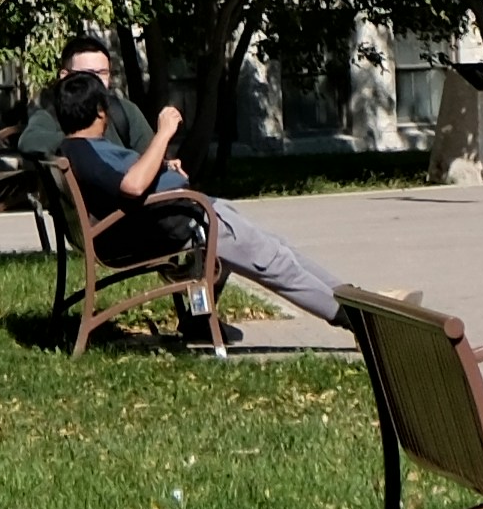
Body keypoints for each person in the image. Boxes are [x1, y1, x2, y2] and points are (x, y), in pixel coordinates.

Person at [36, 43, 349, 335]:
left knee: (275, 248)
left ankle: (348, 297)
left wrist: (161, 166)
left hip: (183, 216)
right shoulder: (88, 152)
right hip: (180, 225)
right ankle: (350, 317)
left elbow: (129, 178)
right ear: (101, 113)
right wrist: (165, 133)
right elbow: (132, 185)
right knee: (272, 261)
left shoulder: (77, 149)